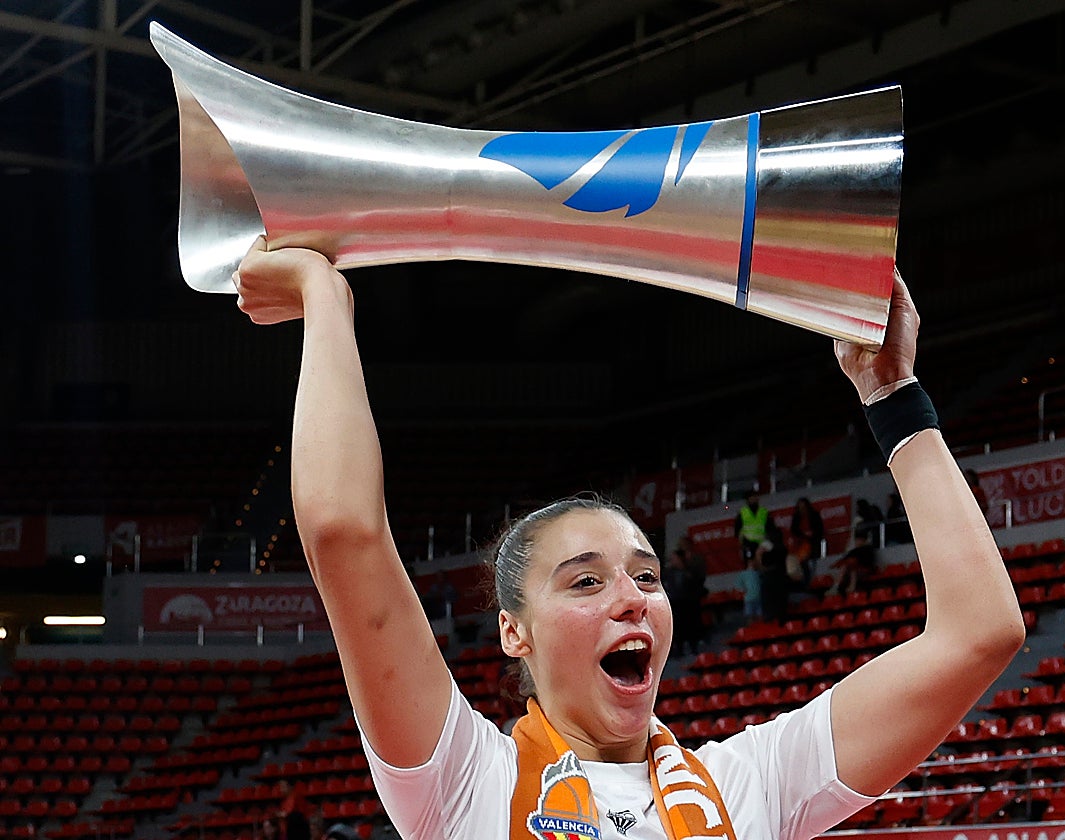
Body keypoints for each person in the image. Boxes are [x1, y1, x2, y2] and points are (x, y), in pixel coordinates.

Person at [234, 243, 1025, 840]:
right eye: (584, 582)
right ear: (513, 630)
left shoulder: (753, 782)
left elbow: (979, 633)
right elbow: (345, 533)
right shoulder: (465, 780)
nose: (632, 599)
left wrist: (894, 397)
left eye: (647, 577)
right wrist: (326, 299)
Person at [787, 498, 824, 588]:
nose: (802, 509)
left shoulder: (814, 515)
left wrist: (811, 535)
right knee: (802, 564)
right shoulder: (796, 517)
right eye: (800, 507)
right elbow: (794, 530)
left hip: (813, 544)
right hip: (800, 546)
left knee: (813, 565)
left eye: (803, 507)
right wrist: (803, 535)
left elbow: (819, 529)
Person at [733, 490, 768, 562]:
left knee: (763, 564)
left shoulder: (764, 512)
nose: (753, 500)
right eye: (751, 498)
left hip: (762, 545)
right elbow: (737, 531)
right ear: (747, 500)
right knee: (750, 564)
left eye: (755, 497)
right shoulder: (742, 513)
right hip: (748, 544)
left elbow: (770, 528)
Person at [735, 554, 763, 625]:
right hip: (749, 599)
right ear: (749, 562)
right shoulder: (743, 574)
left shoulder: (759, 573)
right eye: (753, 561)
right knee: (750, 616)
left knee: (760, 616)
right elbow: (738, 585)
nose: (754, 563)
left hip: (760, 598)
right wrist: (745, 590)